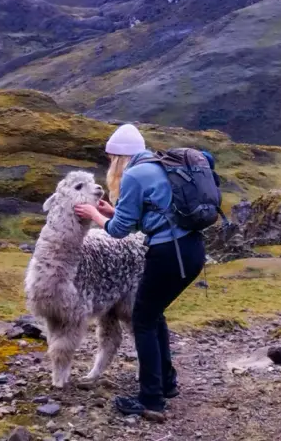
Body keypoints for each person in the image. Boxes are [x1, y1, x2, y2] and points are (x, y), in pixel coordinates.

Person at [74, 123, 206, 417]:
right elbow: (145, 218)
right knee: (154, 316)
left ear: (120, 157)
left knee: (142, 320)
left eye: (110, 158)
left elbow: (119, 232)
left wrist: (95, 214)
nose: (110, 164)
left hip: (168, 254)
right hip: (192, 250)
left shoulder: (133, 174)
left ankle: (151, 400)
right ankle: (167, 383)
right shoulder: (156, 166)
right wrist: (112, 212)